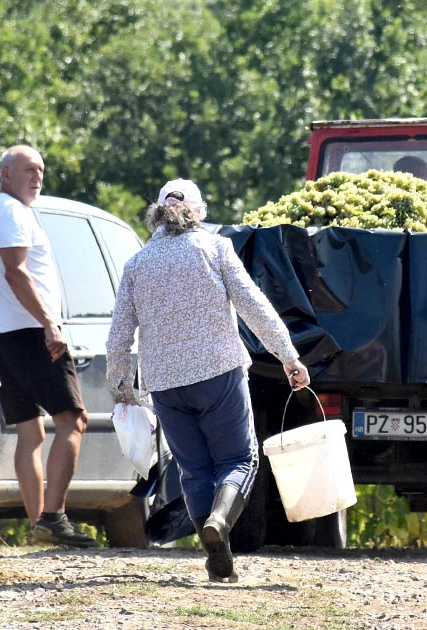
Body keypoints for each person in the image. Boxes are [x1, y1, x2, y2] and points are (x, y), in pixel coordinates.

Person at [106, 178, 311, 583]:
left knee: (194, 469)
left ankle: (217, 551)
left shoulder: (137, 264)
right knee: (238, 459)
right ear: (199, 212)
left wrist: (120, 386)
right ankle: (220, 518)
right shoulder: (215, 248)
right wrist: (288, 355)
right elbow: (254, 304)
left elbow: (118, 334)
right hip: (218, 372)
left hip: (164, 382)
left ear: (157, 215)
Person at [0, 144, 95, 548]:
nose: (36, 177)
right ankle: (54, 517)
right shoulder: (11, 212)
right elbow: (15, 272)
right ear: (5, 174)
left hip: (1, 335)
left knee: (31, 435)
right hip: (28, 333)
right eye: (28, 170)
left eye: (40, 170)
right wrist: (49, 323)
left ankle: (40, 526)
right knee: (73, 421)